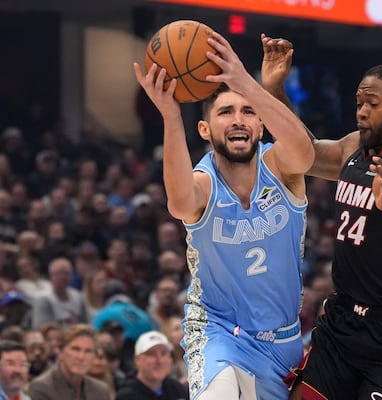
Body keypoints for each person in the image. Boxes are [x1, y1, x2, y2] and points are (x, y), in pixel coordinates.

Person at [261, 35, 382, 399]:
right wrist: (274, 91)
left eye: (373, 103)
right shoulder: (352, 148)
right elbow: (304, 153)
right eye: (359, 103)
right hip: (343, 320)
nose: (361, 111)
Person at [133, 29, 314, 400]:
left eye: (248, 111)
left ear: (260, 125)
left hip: (285, 343)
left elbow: (304, 152)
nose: (238, 119)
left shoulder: (281, 167)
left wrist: (246, 83)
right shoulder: (204, 183)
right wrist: (170, 115)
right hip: (219, 333)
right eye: (226, 112)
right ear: (204, 128)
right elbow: (180, 203)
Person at [28, 323, 111, 400]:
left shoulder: (101, 392)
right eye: (75, 349)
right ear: (60, 352)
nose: (81, 357)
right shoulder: (42, 388)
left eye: (88, 351)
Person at [115, 331, 187, 400]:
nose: (159, 360)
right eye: (151, 354)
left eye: (163, 353)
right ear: (137, 359)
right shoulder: (126, 396)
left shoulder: (177, 389)